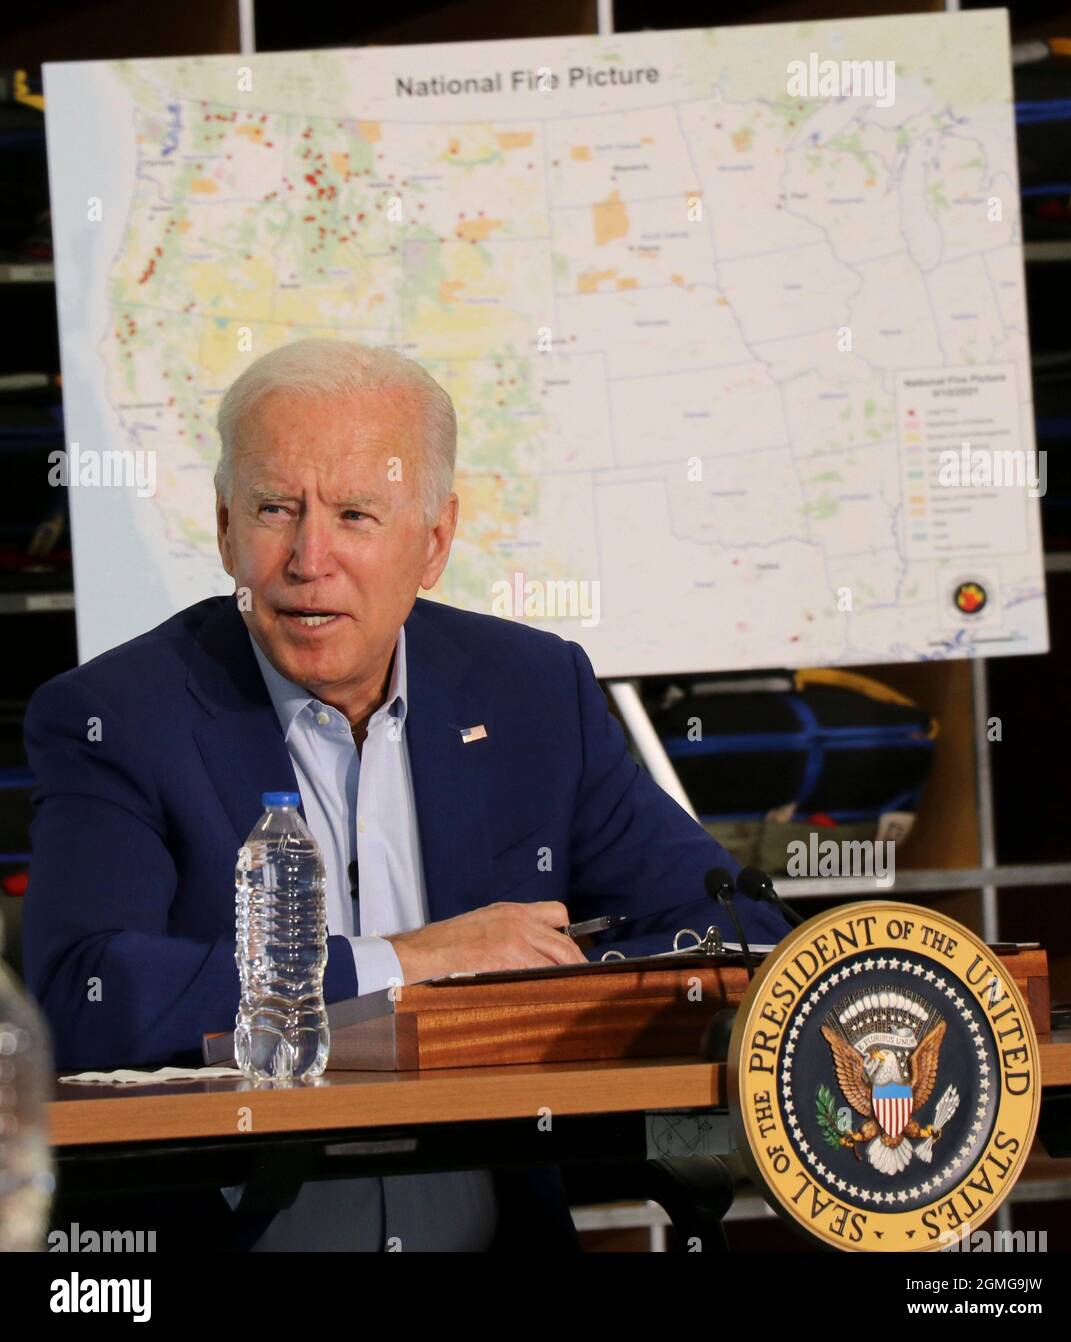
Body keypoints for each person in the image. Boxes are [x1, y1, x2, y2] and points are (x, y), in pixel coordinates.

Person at [23, 337, 788, 1252]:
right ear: (226, 527)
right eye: (275, 509)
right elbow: (82, 998)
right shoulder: (119, 718)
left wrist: (542, 994)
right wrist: (403, 962)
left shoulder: (533, 694)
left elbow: (735, 929)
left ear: (433, 543)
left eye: (355, 514)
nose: (310, 557)